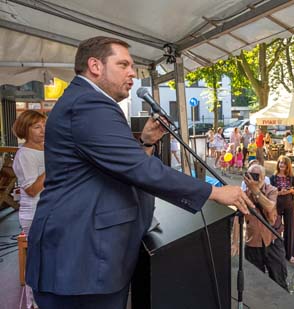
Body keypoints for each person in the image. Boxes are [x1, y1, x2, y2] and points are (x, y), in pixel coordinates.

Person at [26, 36, 253, 308]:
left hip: (85, 259)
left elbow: (115, 165)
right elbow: (137, 169)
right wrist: (214, 191)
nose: (132, 73)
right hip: (81, 260)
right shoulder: (89, 105)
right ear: (95, 66)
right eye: (123, 64)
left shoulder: (87, 101)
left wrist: (145, 143)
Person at [231, 164, 288, 291]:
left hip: (272, 241)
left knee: (279, 279)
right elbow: (237, 218)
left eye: (256, 176)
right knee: (255, 281)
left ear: (263, 177)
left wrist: (256, 191)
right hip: (253, 243)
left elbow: (269, 207)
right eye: (251, 175)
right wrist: (235, 242)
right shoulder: (243, 195)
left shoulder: (271, 190)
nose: (253, 179)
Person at [12, 110, 47, 309]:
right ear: (25, 130)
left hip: (49, 210)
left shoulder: (46, 149)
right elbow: (32, 190)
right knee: (36, 261)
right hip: (34, 213)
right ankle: (32, 303)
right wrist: (51, 166)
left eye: (44, 125)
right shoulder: (24, 154)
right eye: (36, 127)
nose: (43, 130)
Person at [270, 156, 294, 263]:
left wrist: (290, 191)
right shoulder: (272, 177)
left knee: (290, 229)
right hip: (276, 205)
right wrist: (279, 192)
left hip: (289, 204)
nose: (282, 165)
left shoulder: (292, 178)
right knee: (275, 228)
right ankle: (276, 253)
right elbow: (271, 192)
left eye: (284, 163)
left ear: (288, 166)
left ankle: (290, 253)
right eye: (280, 162)